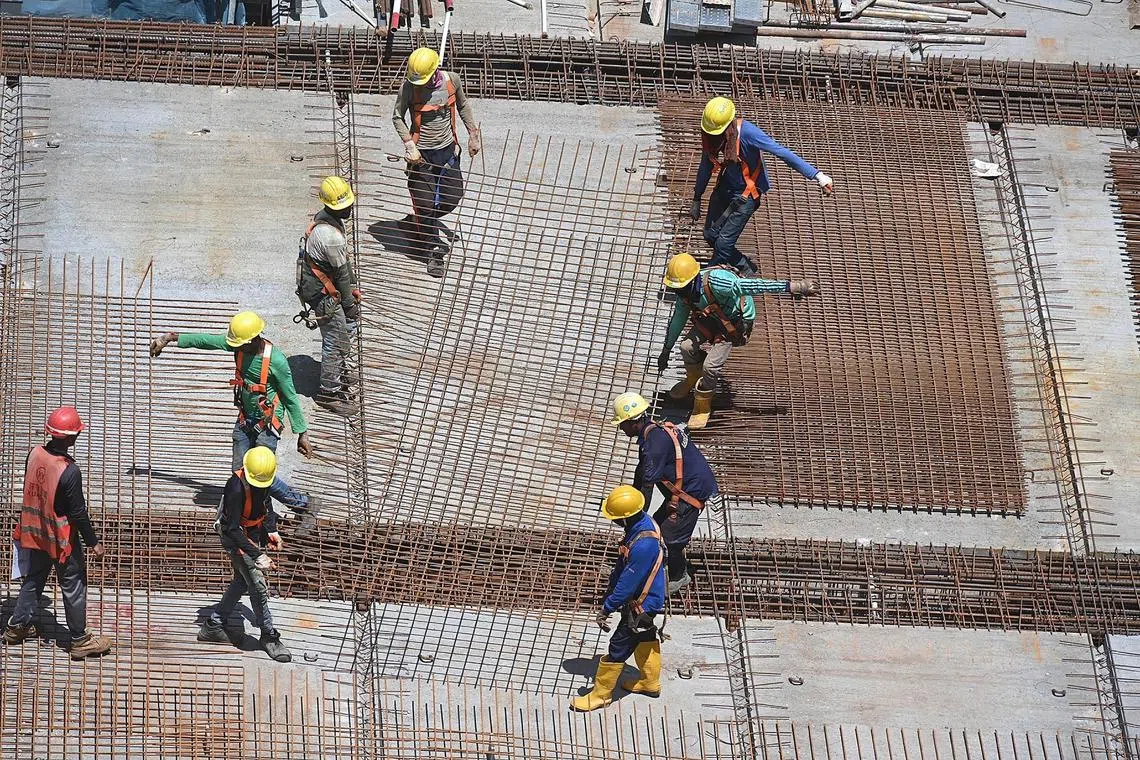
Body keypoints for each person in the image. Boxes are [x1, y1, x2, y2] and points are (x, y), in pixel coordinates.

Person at [149, 310, 315, 514]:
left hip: (268, 423)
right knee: (240, 473)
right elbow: (206, 340)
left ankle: (302, 504)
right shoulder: (240, 346)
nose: (235, 347)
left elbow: (290, 396)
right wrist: (169, 338)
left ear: (252, 340)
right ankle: (255, 513)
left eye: (239, 344)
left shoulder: (276, 361)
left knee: (259, 474)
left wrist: (302, 433)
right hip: (245, 418)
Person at [657, 253, 820, 429]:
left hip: (735, 323)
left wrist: (793, 286)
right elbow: (677, 320)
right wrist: (666, 350)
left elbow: (753, 285)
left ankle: (702, 406)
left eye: (680, 288)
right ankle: (693, 377)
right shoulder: (685, 294)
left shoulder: (718, 283)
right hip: (713, 317)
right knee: (686, 346)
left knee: (710, 367)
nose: (678, 292)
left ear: (692, 280)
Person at [4, 407, 112, 660]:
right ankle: (80, 640)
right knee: (73, 583)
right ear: (73, 437)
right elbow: (78, 512)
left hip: (35, 531)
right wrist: (93, 542)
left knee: (34, 577)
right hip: (61, 539)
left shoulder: (35, 454)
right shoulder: (69, 471)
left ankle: (16, 627)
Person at [692, 96, 834, 275]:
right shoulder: (711, 135)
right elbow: (706, 164)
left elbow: (782, 152)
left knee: (723, 244)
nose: (713, 136)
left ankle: (708, 277)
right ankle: (744, 265)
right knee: (710, 235)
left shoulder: (748, 133)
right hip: (725, 186)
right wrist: (697, 198)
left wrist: (818, 175)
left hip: (746, 195)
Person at [610, 392, 718, 593]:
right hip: (683, 487)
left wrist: (634, 518)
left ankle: (679, 576)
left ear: (633, 422)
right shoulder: (653, 433)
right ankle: (662, 563)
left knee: (669, 539)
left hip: (691, 493)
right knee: (657, 529)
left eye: (622, 423)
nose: (620, 428)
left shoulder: (654, 446)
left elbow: (647, 486)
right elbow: (641, 473)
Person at [571, 486, 666, 712]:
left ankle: (600, 696)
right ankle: (650, 683)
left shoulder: (643, 544)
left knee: (618, 646)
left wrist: (608, 607)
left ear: (624, 517)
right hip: (647, 599)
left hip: (641, 603)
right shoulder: (643, 523)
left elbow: (628, 583)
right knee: (645, 636)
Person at [393, 46, 481, 278]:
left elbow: (463, 105)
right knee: (425, 203)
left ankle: (420, 221)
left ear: (435, 70)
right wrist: (409, 145)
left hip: (447, 152)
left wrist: (473, 135)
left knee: (452, 198)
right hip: (421, 157)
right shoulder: (409, 87)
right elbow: (397, 116)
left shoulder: (452, 81)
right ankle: (433, 250)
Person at [197, 446, 291, 663]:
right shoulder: (235, 488)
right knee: (258, 587)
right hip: (236, 538)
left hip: (252, 533)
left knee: (241, 581)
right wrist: (257, 555)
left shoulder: (263, 478)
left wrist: (271, 529)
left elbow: (266, 502)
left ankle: (213, 626)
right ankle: (269, 637)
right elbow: (231, 528)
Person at [297, 175, 361, 413]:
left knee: (346, 329)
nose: (349, 209)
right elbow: (342, 274)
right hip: (322, 293)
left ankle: (338, 370)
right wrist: (349, 303)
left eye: (349, 204)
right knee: (335, 339)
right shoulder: (330, 236)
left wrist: (351, 290)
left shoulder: (326, 218)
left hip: (324, 284)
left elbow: (344, 269)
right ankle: (328, 392)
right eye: (343, 206)